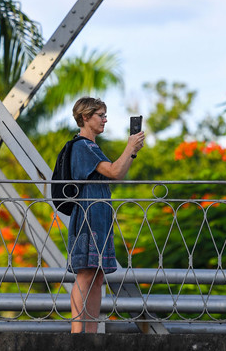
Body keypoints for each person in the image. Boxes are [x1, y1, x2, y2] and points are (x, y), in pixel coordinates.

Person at [67, 97, 145, 333]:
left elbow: (117, 173)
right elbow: (114, 171)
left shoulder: (92, 147)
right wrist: (129, 147)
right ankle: (77, 332)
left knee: (97, 276)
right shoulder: (83, 146)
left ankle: (90, 332)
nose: (105, 120)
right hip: (88, 215)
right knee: (86, 274)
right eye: (100, 115)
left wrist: (132, 152)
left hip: (99, 215)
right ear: (85, 117)